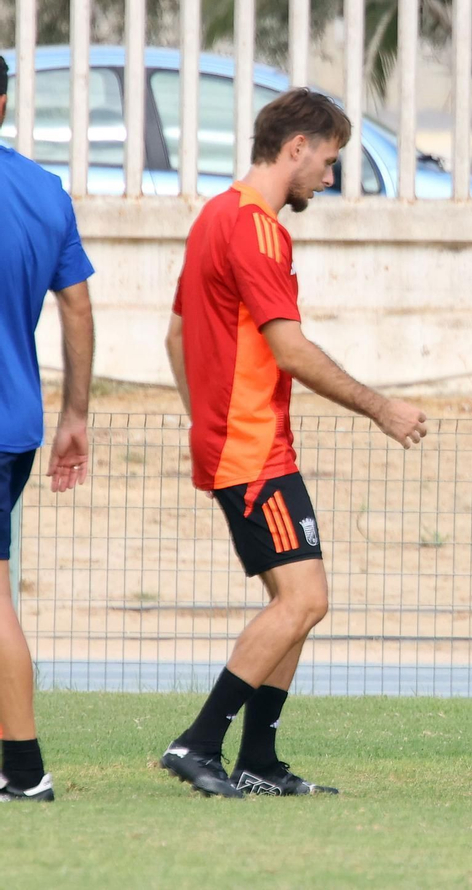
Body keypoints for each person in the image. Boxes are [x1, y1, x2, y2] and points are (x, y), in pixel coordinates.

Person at [162, 89, 428, 797]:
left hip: (237, 443)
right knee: (304, 601)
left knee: (297, 600)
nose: (330, 178)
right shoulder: (255, 229)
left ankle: (257, 762)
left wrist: (205, 422)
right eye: (331, 162)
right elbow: (290, 349)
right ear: (296, 148)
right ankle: (198, 743)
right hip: (253, 449)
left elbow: (175, 338)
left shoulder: (214, 216)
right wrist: (381, 409)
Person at [0, 53, 97, 803]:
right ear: (2, 106)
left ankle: (25, 772)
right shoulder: (45, 192)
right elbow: (77, 307)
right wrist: (75, 417)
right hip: (18, 426)